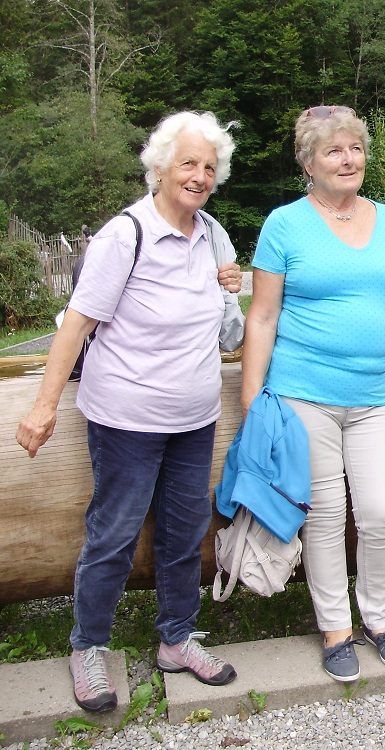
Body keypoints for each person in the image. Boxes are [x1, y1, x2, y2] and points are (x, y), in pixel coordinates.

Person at [15, 111, 243, 712]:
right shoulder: (127, 234)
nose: (199, 175)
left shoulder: (214, 236)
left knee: (184, 533)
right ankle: (88, 646)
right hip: (125, 420)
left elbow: (230, 336)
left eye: (209, 166)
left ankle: (176, 639)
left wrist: (231, 289)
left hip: (194, 420)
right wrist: (42, 407)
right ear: (160, 168)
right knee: (113, 533)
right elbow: (76, 326)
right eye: (188, 163)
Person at [241, 105, 385, 683]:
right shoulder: (284, 224)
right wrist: (253, 399)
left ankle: (380, 618)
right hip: (303, 394)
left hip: (374, 395)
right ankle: (335, 627)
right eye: (333, 151)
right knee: (323, 517)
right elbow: (263, 316)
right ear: (308, 163)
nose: (348, 160)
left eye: (355, 149)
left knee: (381, 513)